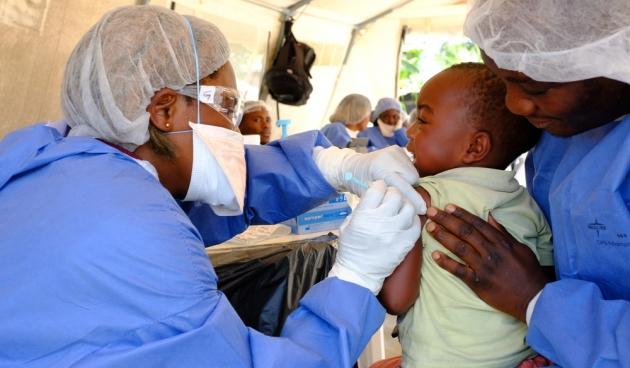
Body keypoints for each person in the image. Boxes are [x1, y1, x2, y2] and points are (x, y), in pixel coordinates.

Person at [0, 6, 426, 367]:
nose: (233, 124)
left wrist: (332, 164)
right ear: (164, 109)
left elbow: (205, 195)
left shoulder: (45, 156)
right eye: (225, 105)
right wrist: (355, 279)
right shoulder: (140, 238)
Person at [424, 1, 630, 367]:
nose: (515, 105)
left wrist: (532, 299)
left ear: (615, 59)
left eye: (535, 88)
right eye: (503, 80)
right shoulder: (559, 135)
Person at [376, 63, 553, 368]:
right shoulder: (528, 203)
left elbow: (396, 298)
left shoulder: (423, 197)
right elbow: (547, 284)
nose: (410, 130)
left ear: (475, 146)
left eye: (423, 119)